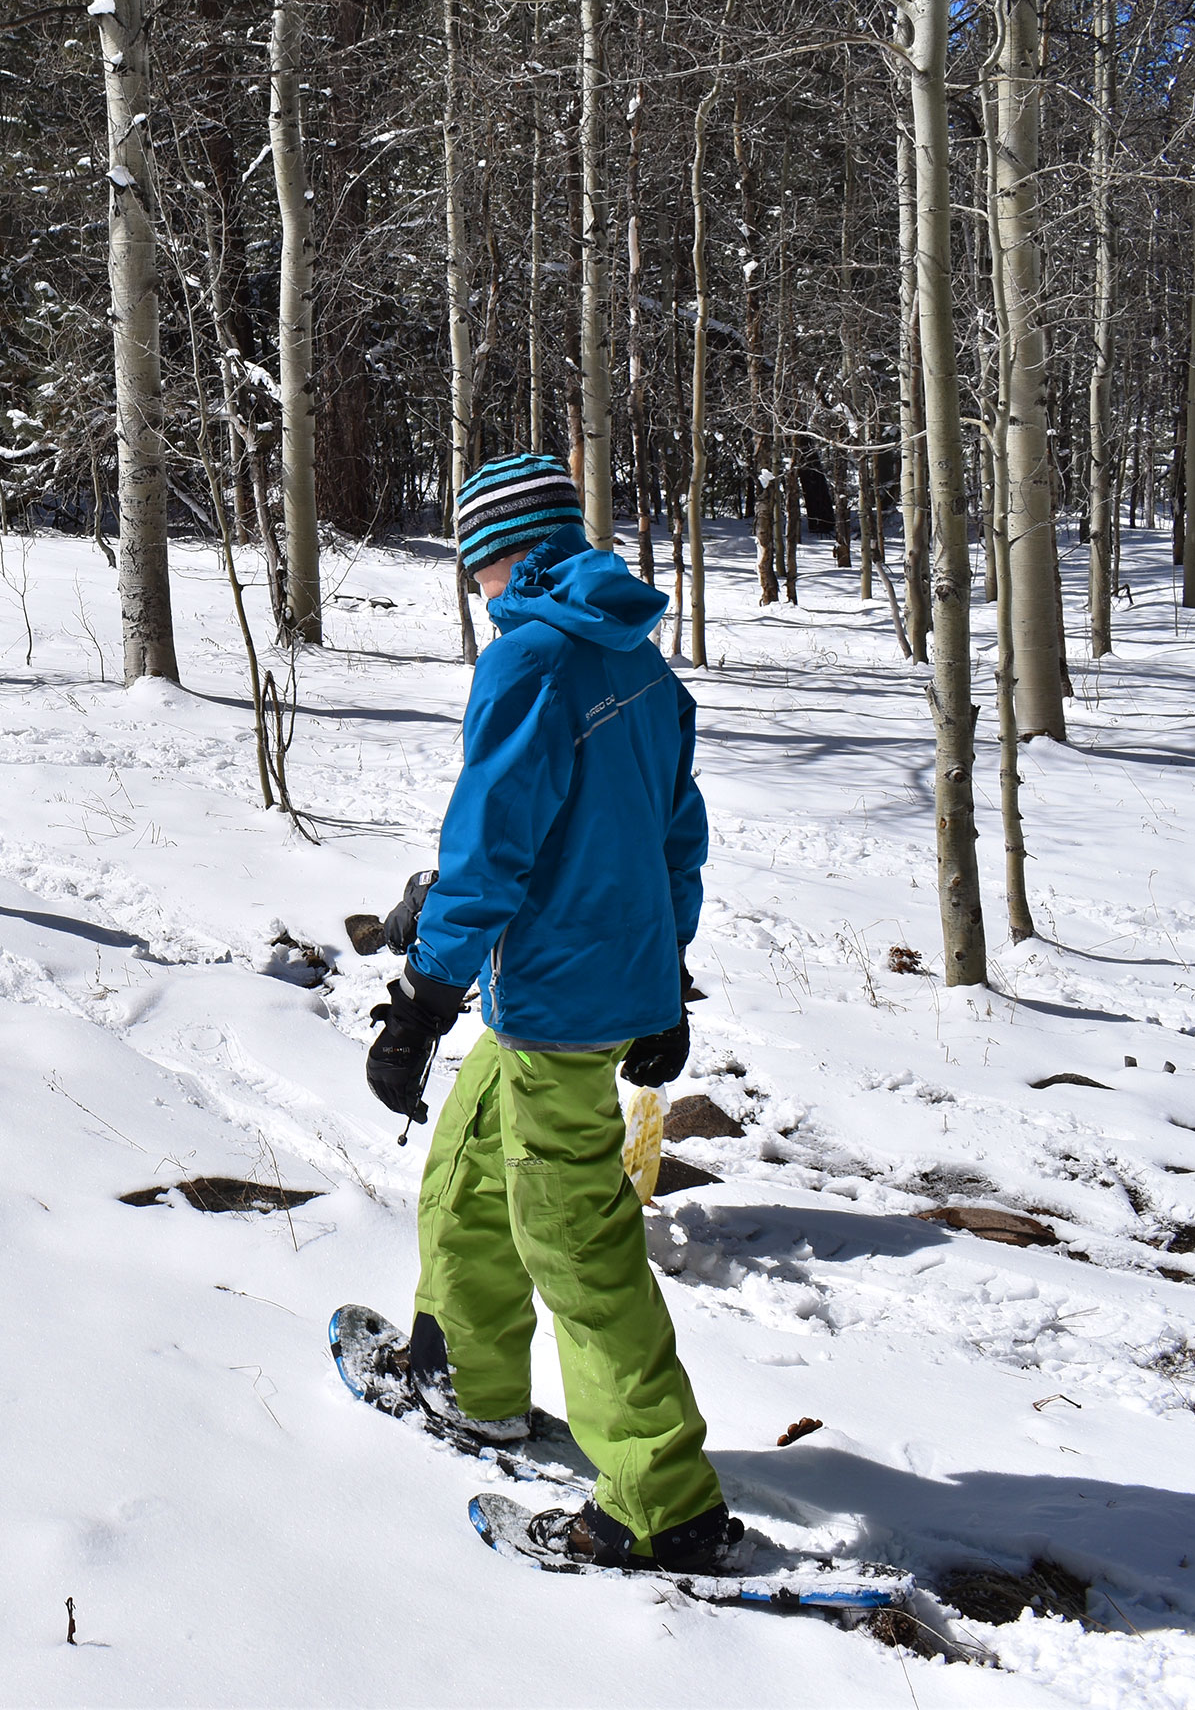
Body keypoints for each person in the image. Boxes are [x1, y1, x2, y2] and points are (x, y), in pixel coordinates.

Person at [360, 451, 738, 1577]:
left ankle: (660, 1498)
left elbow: (490, 847)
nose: (473, 588)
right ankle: (469, 1377)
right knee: (471, 1158)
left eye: (474, 566)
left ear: (499, 554)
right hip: (595, 982)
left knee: (574, 1239)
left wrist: (425, 996)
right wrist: (665, 976)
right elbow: (679, 836)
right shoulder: (638, 659)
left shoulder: (530, 657)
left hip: (566, 998)